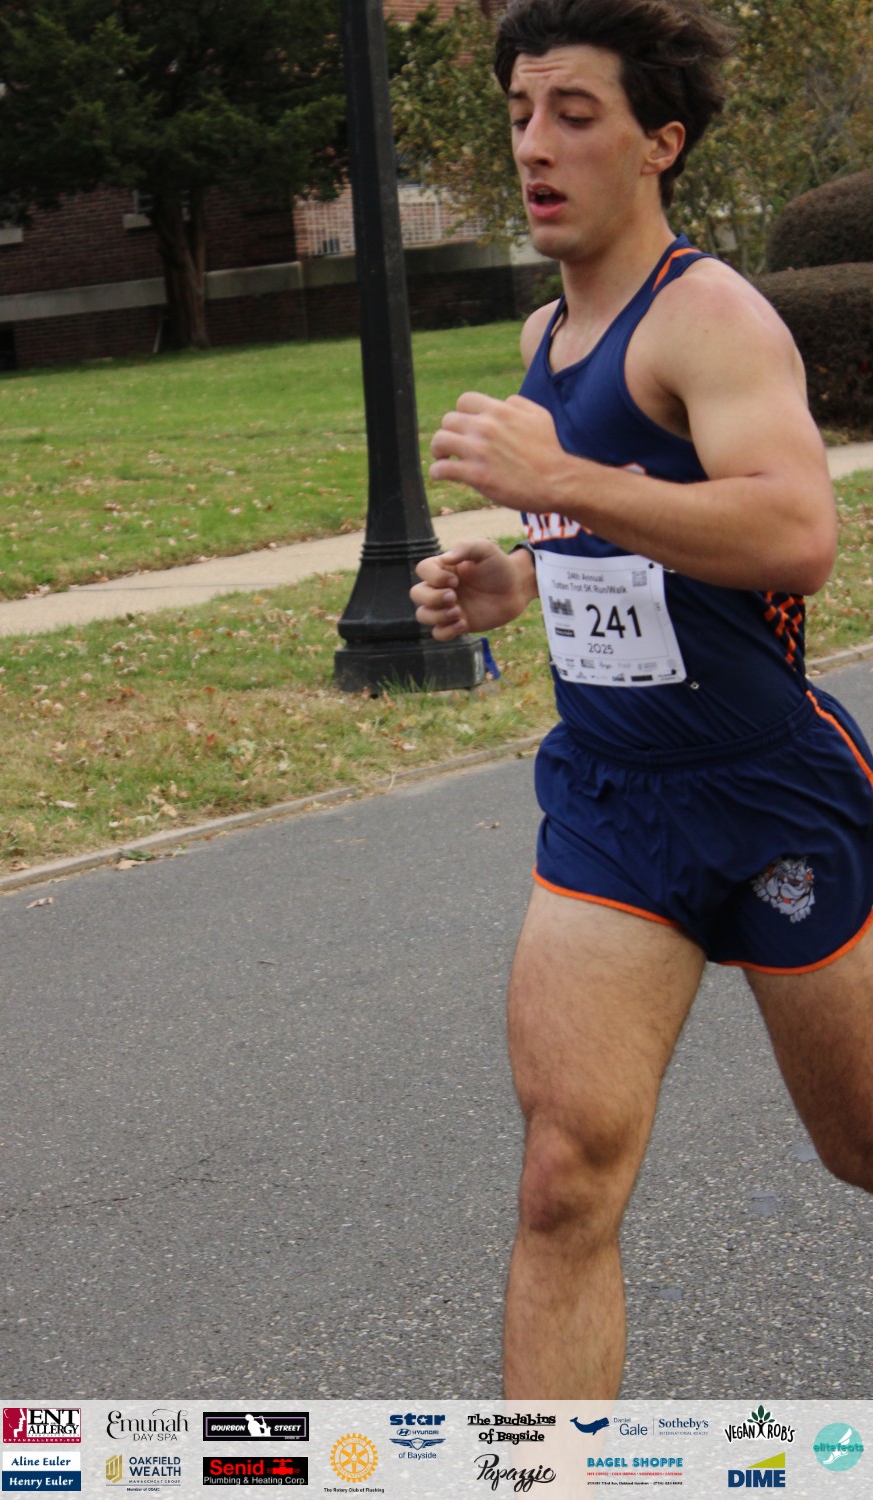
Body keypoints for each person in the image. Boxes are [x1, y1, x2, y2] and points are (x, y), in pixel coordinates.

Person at [411, 0, 873, 1398]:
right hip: (613, 803)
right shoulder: (550, 330)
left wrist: (559, 480)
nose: (533, 146)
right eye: (518, 115)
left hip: (771, 792)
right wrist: (519, 576)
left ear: (659, 142)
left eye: (574, 114)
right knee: (564, 1178)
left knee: (864, 1145)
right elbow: (618, 540)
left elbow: (795, 533)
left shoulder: (711, 315)